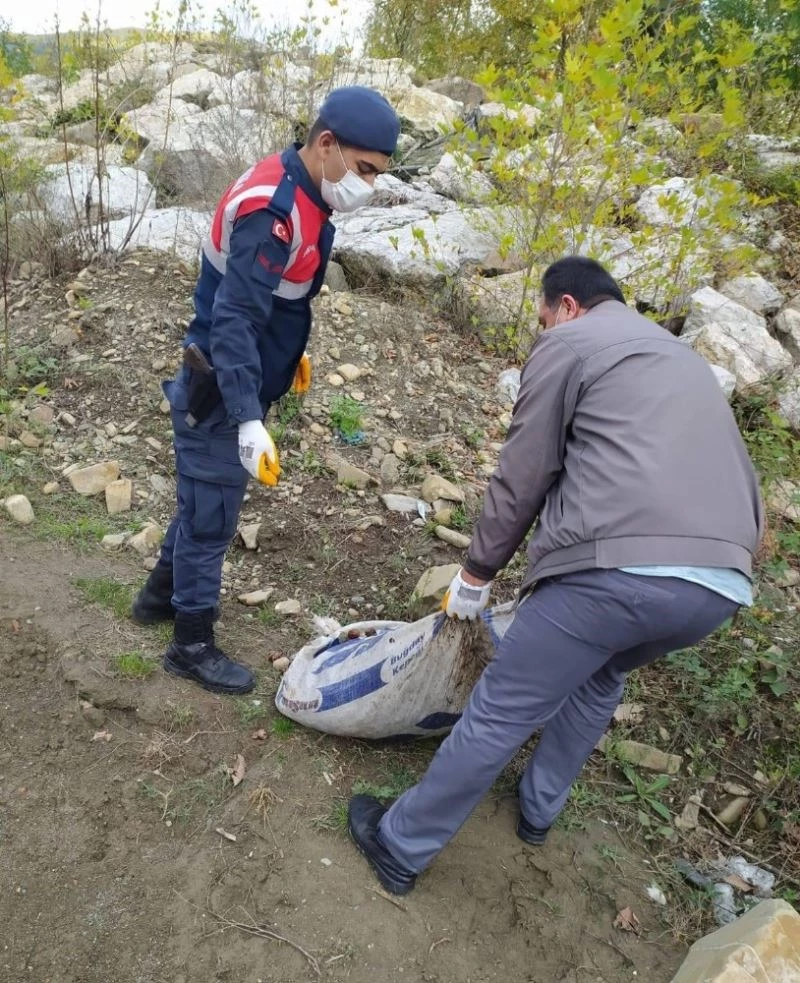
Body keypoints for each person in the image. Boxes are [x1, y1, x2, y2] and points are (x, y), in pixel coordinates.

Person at [348, 255, 763, 895]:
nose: (543, 332)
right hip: (722, 583)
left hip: (618, 572)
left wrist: (477, 571)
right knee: (602, 675)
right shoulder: (680, 358)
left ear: (565, 305)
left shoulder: (571, 342)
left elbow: (525, 473)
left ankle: (400, 847)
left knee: (500, 710)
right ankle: (539, 810)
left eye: (542, 319)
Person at [131, 86, 400, 695]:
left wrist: (290, 354)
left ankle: (155, 600)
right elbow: (232, 322)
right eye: (364, 170)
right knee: (212, 519)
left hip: (241, 373)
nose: (369, 186)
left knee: (201, 502)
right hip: (220, 386)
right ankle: (191, 644)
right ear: (326, 144)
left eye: (377, 176)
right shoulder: (272, 212)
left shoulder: (306, 191)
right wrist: (248, 416)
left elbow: (274, 300)